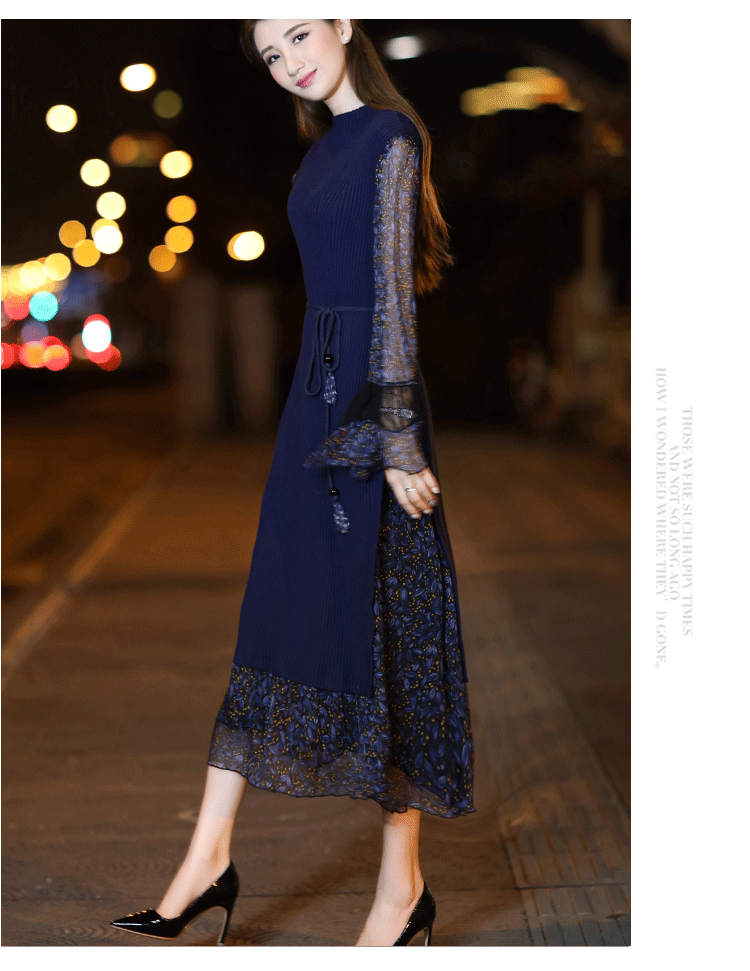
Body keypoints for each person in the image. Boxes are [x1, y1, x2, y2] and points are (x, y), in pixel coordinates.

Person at [111, 18, 476, 947]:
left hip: (369, 407)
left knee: (386, 636)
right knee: (273, 612)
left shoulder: (391, 136)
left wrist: (395, 438)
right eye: (274, 55)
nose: (291, 63)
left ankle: (400, 893)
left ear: (345, 22)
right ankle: (208, 857)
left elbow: (391, 297)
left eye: (301, 36)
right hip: (313, 405)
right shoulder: (319, 150)